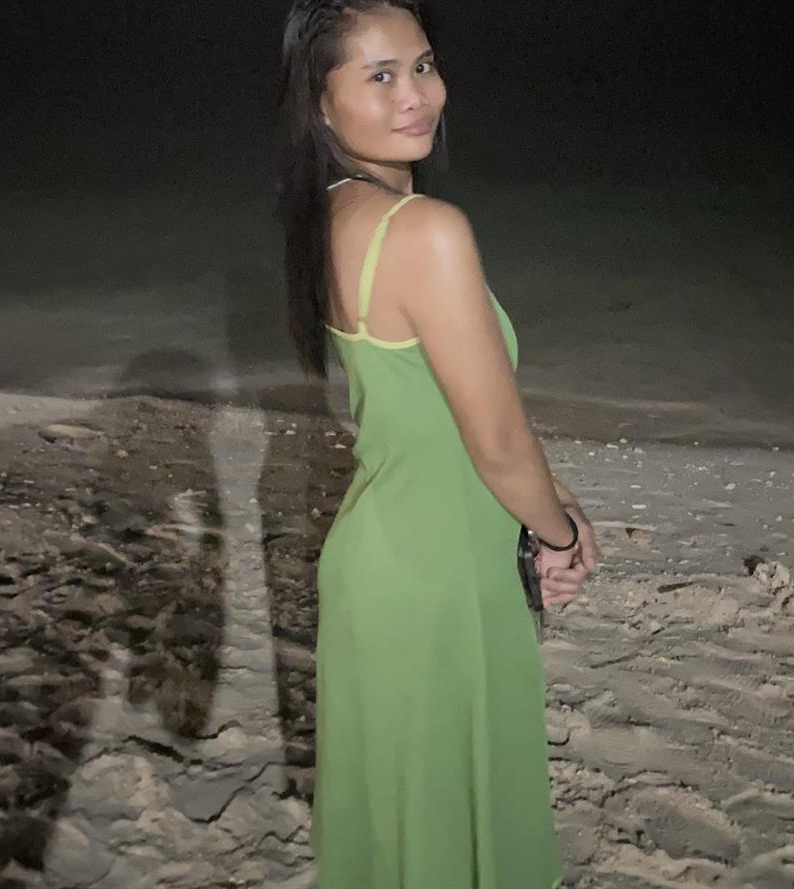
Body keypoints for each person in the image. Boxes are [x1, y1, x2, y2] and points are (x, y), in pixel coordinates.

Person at [275, 2, 600, 886]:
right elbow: (494, 441)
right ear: (320, 103)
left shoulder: (333, 215)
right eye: (380, 76)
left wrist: (555, 499)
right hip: (436, 582)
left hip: (391, 565)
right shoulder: (425, 231)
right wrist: (560, 535)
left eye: (422, 65)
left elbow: (460, 413)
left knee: (410, 844)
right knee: (457, 838)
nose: (416, 95)